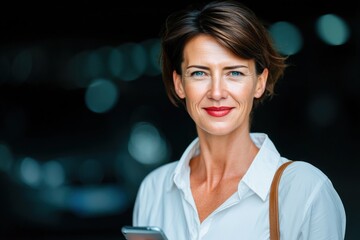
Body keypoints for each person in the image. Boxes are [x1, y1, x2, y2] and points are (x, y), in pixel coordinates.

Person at [132, 0, 346, 239]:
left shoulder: (306, 191)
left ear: (259, 82)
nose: (216, 92)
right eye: (199, 73)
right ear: (180, 84)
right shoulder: (155, 188)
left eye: (234, 72)